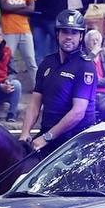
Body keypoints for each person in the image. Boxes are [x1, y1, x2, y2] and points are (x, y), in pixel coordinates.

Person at [21, 9, 97, 155]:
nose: (69, 37)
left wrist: (46, 138)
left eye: (74, 33)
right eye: (65, 32)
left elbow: (78, 112)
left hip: (75, 140)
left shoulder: (86, 66)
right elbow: (35, 104)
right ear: (57, 34)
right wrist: (25, 133)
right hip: (47, 135)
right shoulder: (47, 62)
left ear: (81, 36)